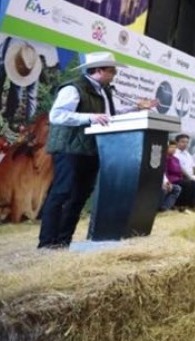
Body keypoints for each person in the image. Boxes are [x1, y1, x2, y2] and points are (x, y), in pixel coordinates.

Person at [39, 52, 156, 249]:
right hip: (70, 149)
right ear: (99, 70)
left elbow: (109, 116)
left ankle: (63, 242)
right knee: (62, 193)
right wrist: (89, 117)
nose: (115, 74)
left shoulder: (104, 91)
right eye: (112, 70)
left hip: (92, 150)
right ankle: (46, 243)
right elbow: (57, 116)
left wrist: (136, 108)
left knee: (79, 197)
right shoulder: (73, 88)